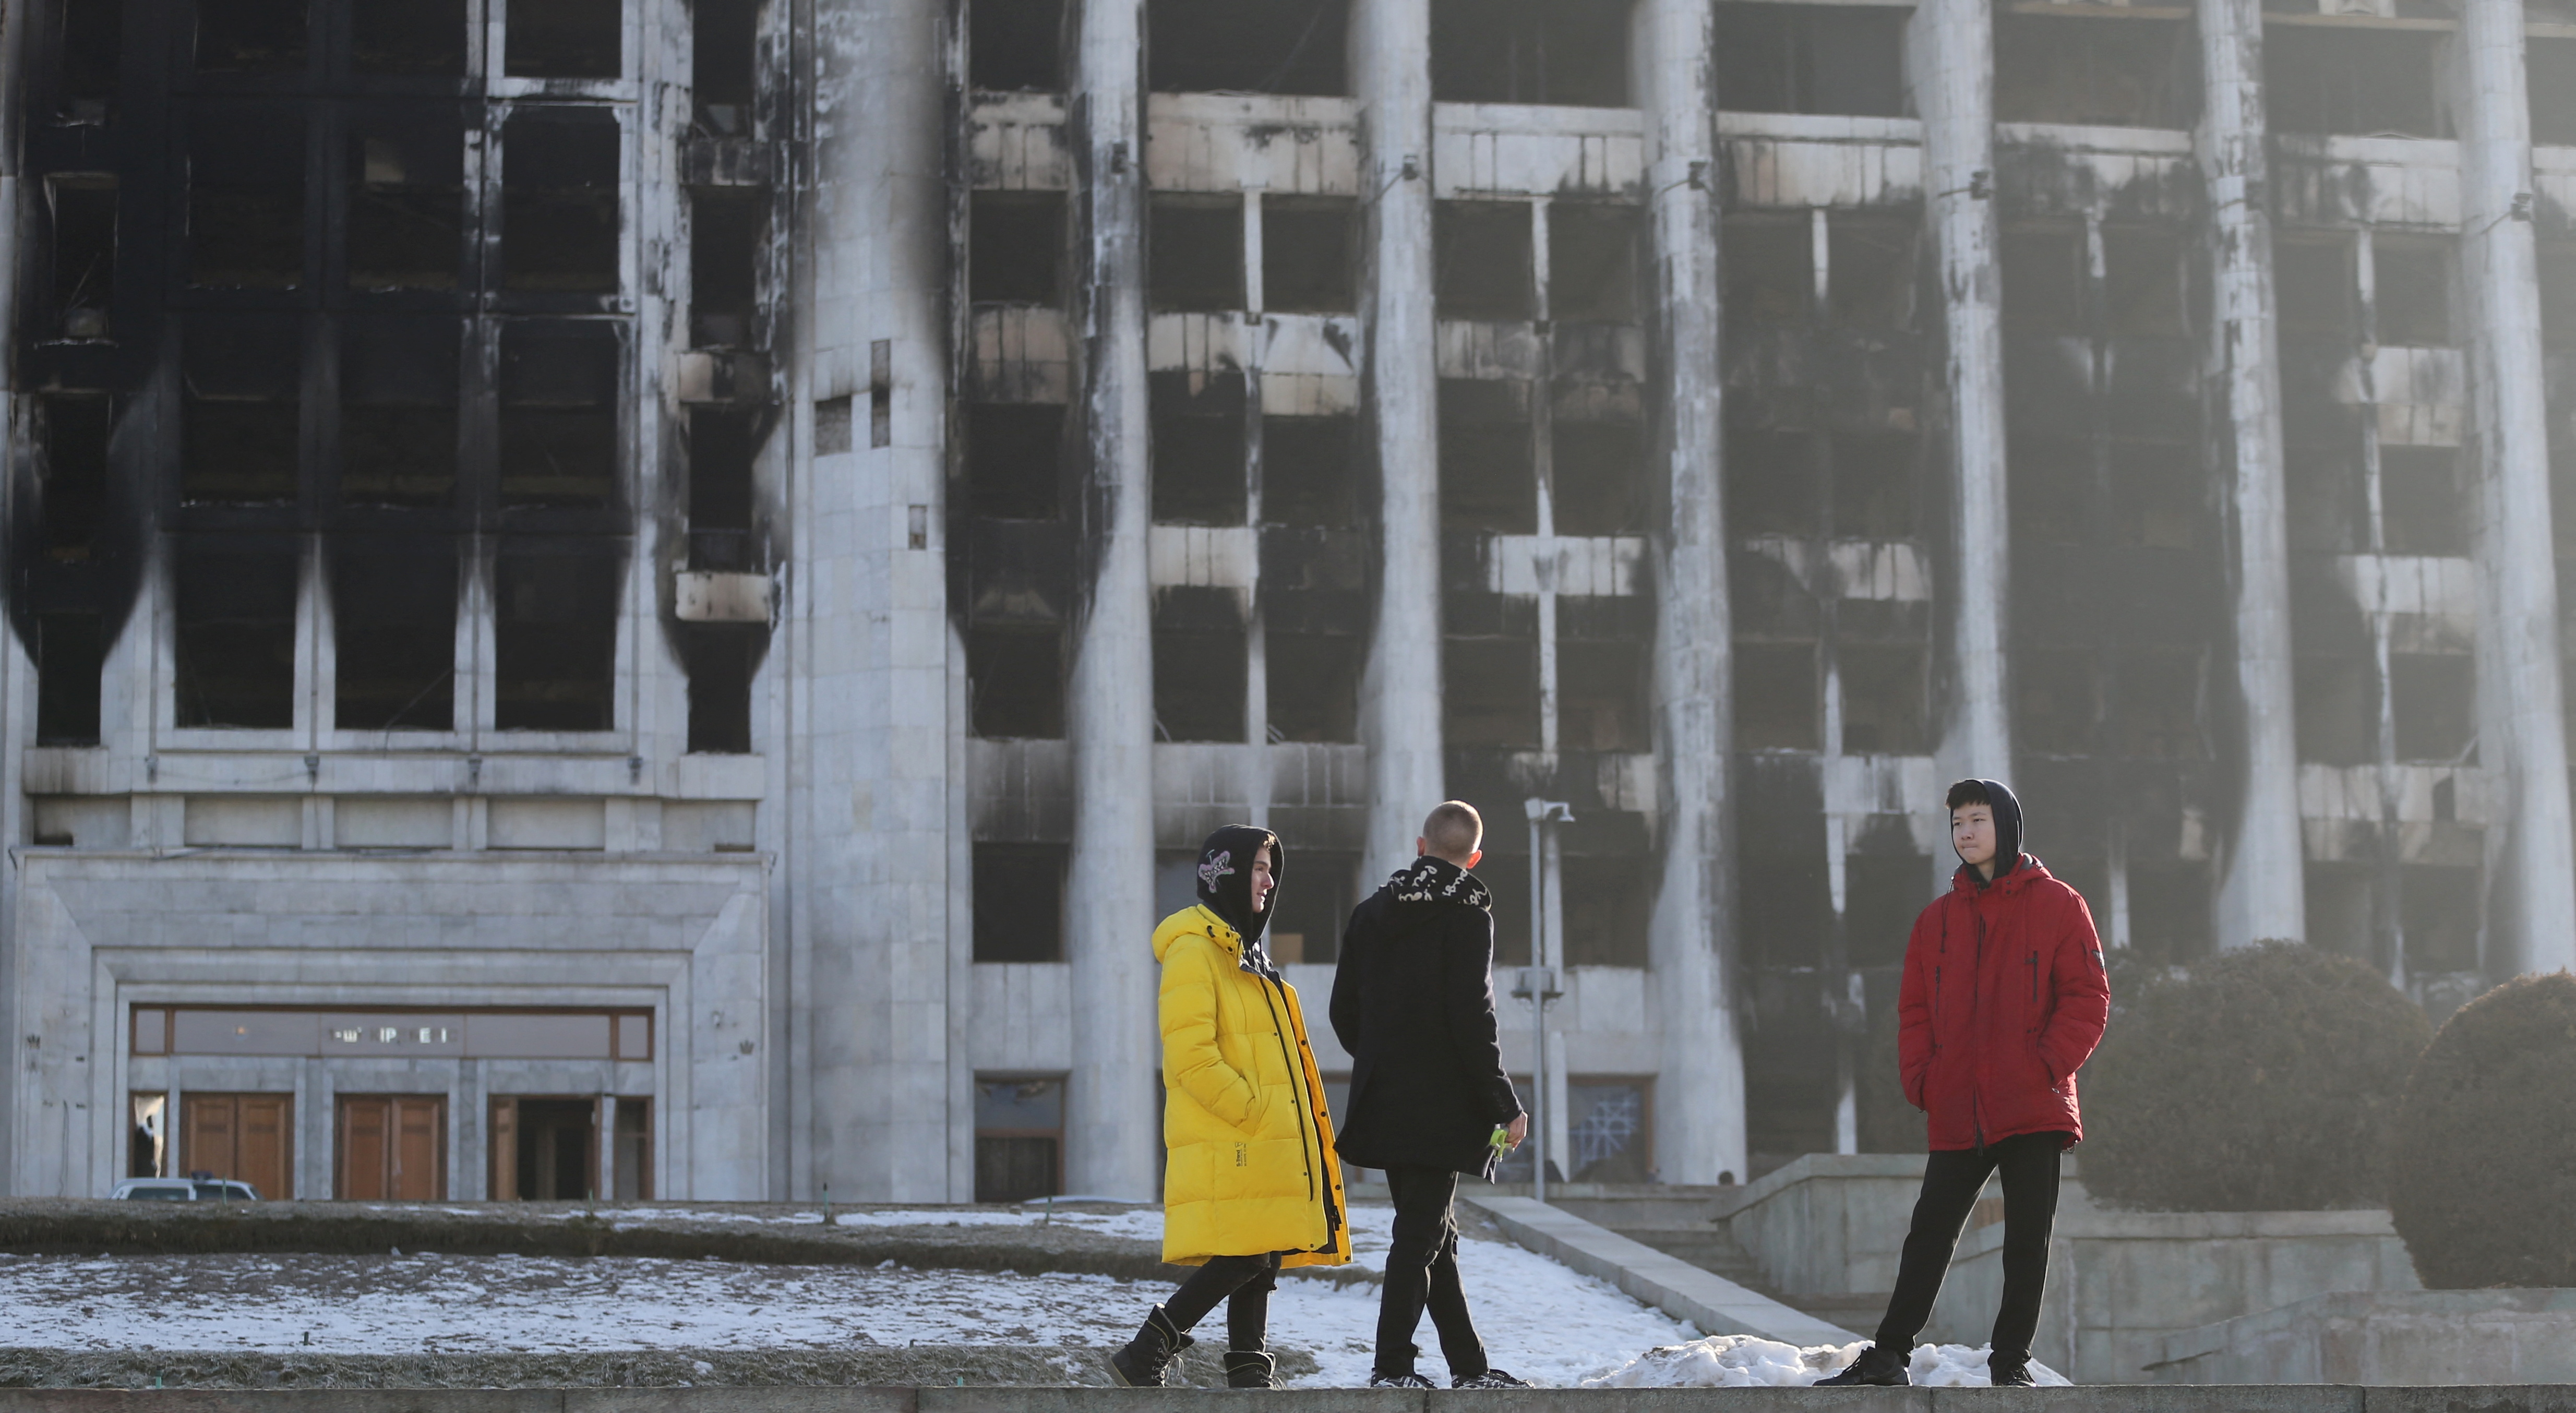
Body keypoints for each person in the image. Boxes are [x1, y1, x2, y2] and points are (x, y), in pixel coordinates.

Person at [1818, 779, 2110, 1388]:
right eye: (1956, 824)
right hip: (1957, 1104)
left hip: (2033, 1103)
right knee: (1928, 1231)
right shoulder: (1936, 920)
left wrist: (2043, 1066)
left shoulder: (2058, 903)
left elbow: (2087, 997)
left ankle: (2010, 1363)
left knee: (2026, 1239)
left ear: (2005, 825)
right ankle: (1888, 1354)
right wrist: (1923, 1079)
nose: (1965, 833)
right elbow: (1914, 1010)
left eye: (1977, 819)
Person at [1109, 825, 1351, 1389]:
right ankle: (1149, 1346)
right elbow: (1190, 1057)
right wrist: (1254, 1110)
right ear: (1227, 873)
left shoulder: (1246, 953)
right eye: (1260, 868)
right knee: (1245, 1252)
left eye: (1271, 869)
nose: (1269, 880)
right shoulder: (1195, 949)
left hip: (1255, 1135)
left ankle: (1248, 1367)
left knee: (1261, 1252)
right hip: (1235, 1134)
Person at [1329, 801, 1535, 1391]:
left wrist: (1382, 1061)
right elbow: (1473, 1018)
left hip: (1386, 1097)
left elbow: (1343, 1010)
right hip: (1442, 1106)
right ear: (1473, 857)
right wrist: (1505, 1105)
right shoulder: (1470, 914)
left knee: (1433, 1233)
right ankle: (1390, 1367)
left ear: (1421, 847)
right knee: (1419, 1235)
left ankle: (1469, 1367)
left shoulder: (1372, 911)